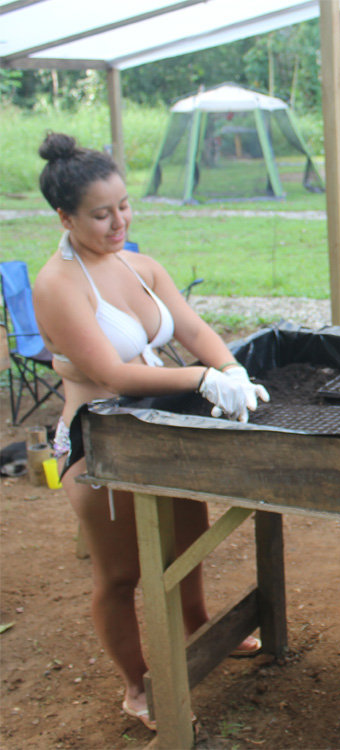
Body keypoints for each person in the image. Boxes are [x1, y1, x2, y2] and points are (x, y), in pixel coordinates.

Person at [32, 132, 270, 731]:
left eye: (124, 206)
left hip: (160, 432)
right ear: (65, 217)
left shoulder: (139, 266)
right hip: (100, 443)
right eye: (101, 213)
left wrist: (229, 367)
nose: (119, 221)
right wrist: (202, 381)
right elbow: (109, 371)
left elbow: (195, 331)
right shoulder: (57, 286)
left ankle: (198, 630)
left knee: (187, 544)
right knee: (121, 575)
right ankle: (136, 684)